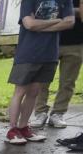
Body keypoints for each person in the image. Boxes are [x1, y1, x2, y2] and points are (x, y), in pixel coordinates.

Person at [6, 0, 75, 145]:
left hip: (49, 53)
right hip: (28, 53)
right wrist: (57, 20)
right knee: (20, 91)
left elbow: (69, 22)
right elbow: (29, 24)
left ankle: (23, 127)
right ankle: (12, 130)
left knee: (34, 92)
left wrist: (40, 25)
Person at [32, 0, 83, 128]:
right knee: (42, 80)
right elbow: (38, 12)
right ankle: (40, 113)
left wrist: (62, 11)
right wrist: (68, 12)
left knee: (68, 82)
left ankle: (58, 113)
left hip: (76, 42)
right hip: (48, 40)